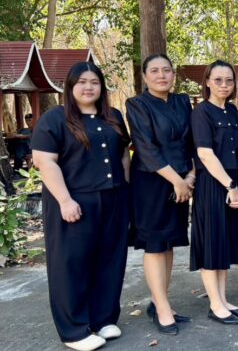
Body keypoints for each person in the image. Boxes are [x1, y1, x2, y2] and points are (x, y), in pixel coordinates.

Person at [32, 62, 131, 351]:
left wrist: (125, 190)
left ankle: (104, 319)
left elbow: (123, 154)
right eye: (82, 82)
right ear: (70, 86)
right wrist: (65, 200)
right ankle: (74, 331)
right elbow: (44, 162)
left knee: (110, 260)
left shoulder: (113, 116)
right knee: (72, 265)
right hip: (74, 202)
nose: (89, 87)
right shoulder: (54, 118)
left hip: (113, 199)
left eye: (94, 82)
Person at [125, 54, 195, 335]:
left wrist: (190, 177)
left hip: (182, 180)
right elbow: (146, 148)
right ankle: (162, 309)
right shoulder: (137, 105)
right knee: (155, 244)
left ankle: (160, 301)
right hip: (152, 182)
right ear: (144, 76)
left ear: (173, 75)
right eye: (154, 71)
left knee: (168, 243)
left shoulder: (182, 101)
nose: (161, 75)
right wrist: (178, 181)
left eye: (167, 70)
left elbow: (192, 142)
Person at [190, 60, 238, 325]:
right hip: (213, 185)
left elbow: (237, 154)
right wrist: (229, 185)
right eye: (218, 80)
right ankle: (214, 304)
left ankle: (223, 300)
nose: (224, 85)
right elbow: (205, 154)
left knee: (224, 244)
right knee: (211, 244)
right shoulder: (201, 112)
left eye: (229, 80)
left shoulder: (232, 110)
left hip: (232, 185)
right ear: (207, 82)